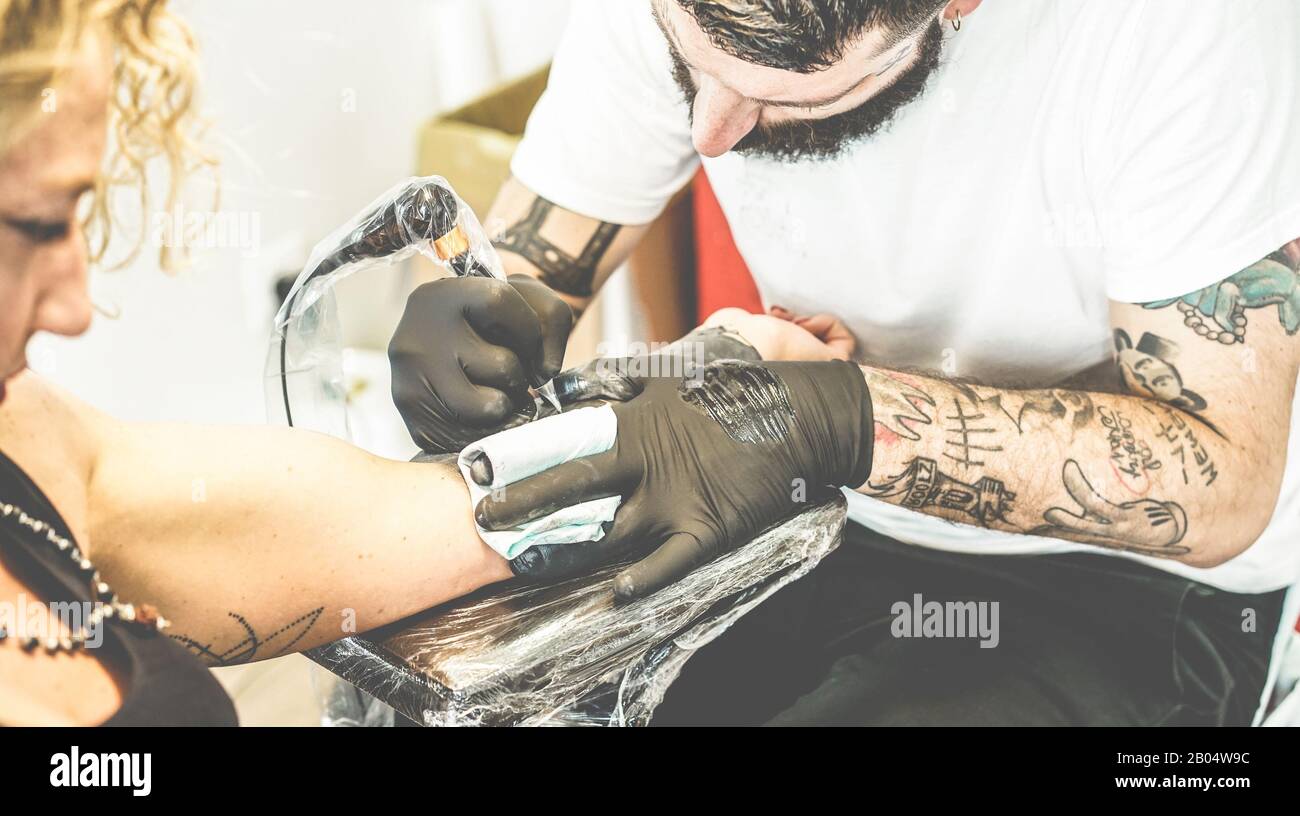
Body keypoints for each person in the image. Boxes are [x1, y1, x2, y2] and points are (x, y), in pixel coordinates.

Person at [388, 0, 1300, 725]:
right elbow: (543, 248)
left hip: (1128, 580)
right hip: (810, 510)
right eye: (688, 66)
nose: (712, 130)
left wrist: (827, 417)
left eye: (787, 97)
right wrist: (494, 305)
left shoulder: (1181, 30)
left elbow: (1222, 477)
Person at [0, 0, 830, 726]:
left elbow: (146, 508)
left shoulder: (20, 429)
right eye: (38, 226)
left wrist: (615, 454)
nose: (75, 307)